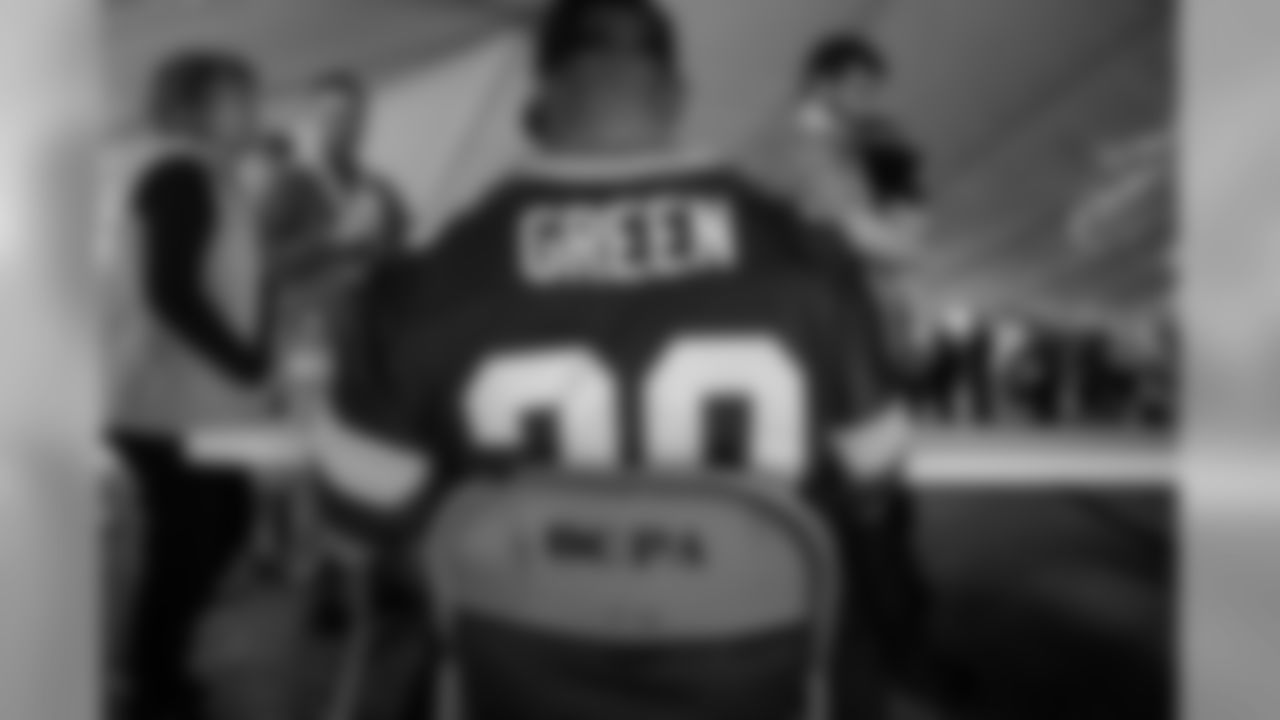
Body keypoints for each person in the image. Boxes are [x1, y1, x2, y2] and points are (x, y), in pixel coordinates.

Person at [305, 1, 930, 718]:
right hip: (757, 683)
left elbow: (352, 522)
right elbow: (878, 470)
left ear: (538, 102)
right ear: (676, 97)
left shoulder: (422, 282)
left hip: (516, 685)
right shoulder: (810, 263)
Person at [107, 49, 275, 720]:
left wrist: (255, 356)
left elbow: (226, 281)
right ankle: (152, 687)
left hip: (202, 403)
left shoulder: (214, 177)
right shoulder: (178, 174)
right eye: (243, 99)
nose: (257, 111)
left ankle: (157, 665)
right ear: (194, 108)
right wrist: (244, 361)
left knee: (224, 527)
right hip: (164, 403)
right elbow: (170, 288)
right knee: (189, 547)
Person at [744, 32, 929, 267]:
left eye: (871, 91)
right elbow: (860, 235)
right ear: (821, 85)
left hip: (817, 264)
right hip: (801, 271)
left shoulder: (834, 137)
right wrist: (908, 244)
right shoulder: (805, 142)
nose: (866, 102)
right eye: (859, 89)